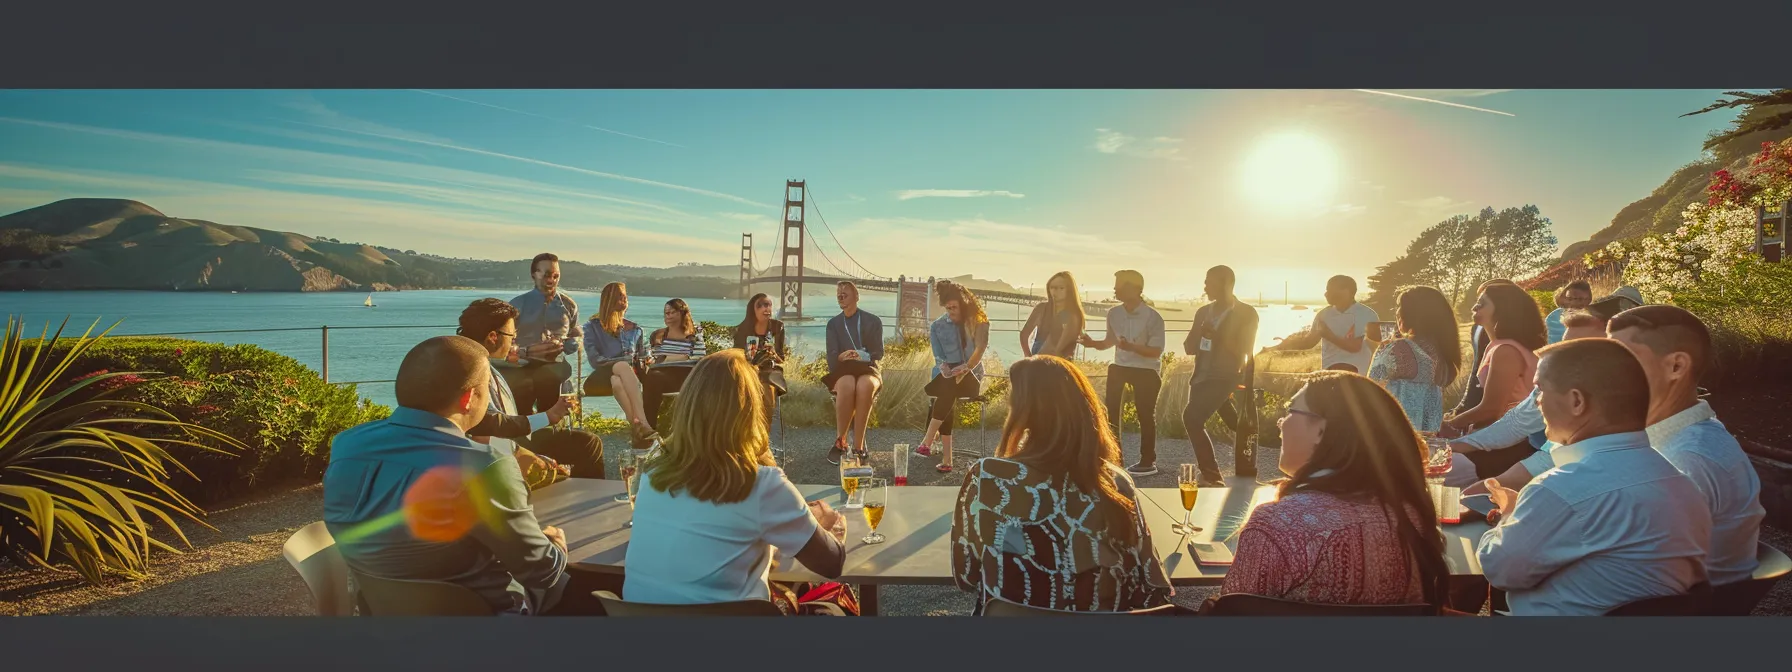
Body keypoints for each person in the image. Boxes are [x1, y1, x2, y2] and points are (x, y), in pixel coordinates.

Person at [323, 336, 569, 615]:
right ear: (469, 398)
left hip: (386, 616)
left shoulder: (346, 445)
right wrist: (557, 546)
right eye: (486, 388)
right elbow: (540, 572)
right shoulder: (484, 466)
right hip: (479, 632)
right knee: (571, 583)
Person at [1477, 338, 1711, 616]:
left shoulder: (1561, 489)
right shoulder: (1683, 485)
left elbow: (1499, 571)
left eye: (1539, 390)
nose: (1536, 401)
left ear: (1577, 401)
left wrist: (1509, 515)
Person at [622, 350, 849, 605]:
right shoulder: (761, 484)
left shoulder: (654, 472)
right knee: (833, 606)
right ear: (750, 410)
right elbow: (832, 563)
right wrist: (827, 522)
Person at [951, 355, 1172, 613]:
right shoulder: (1115, 483)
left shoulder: (988, 478)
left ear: (1023, 411)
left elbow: (966, 577)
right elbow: (1151, 587)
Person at [1223, 372, 1450, 608]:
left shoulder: (1276, 525)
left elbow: (1233, 616)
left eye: (1290, 411)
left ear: (1321, 431)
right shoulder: (1412, 518)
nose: (1281, 423)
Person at [1605, 305, 1764, 586]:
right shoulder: (1675, 439)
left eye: (1623, 359)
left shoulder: (1687, 458)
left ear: (1676, 366)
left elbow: (1639, 571)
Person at [1451, 309, 1610, 491]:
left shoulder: (1619, 404)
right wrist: (1455, 446)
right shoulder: (1559, 380)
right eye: (1566, 348)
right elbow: (1516, 424)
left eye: (1582, 351)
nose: (1567, 359)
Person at [458, 298, 605, 480]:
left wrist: (549, 415)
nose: (514, 341)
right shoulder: (471, 371)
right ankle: (579, 501)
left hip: (509, 439)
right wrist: (530, 454)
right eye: (511, 336)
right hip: (498, 451)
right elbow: (486, 429)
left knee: (588, 442)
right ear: (493, 337)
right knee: (585, 447)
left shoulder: (478, 360)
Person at [1440, 281, 1545, 479]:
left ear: (1502, 310)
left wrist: (1450, 424)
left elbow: (1492, 408)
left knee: (1435, 471)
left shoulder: (1506, 351)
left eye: (1481, 304)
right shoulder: (1499, 346)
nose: (1474, 307)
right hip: (1499, 437)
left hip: (1509, 443)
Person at [1077, 270, 1168, 477]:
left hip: (1146, 370)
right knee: (1111, 412)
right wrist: (1092, 344)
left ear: (1135, 289)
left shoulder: (1153, 317)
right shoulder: (1114, 313)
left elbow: (1156, 351)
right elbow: (1109, 342)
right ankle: (1114, 458)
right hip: (1120, 367)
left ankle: (1147, 461)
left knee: (1145, 415)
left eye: (1119, 285)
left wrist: (1131, 347)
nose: (1115, 289)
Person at [1180, 266, 1258, 486]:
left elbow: (1244, 350)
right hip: (1200, 377)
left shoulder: (1246, 313)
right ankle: (1249, 458)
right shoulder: (1203, 312)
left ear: (1226, 284)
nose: (1205, 287)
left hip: (1226, 376)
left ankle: (1212, 476)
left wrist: (1218, 336)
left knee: (1192, 418)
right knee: (1235, 422)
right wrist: (1200, 331)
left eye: (1209, 282)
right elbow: (1189, 348)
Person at [916, 280, 991, 473]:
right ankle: (946, 460)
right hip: (947, 378)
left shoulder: (979, 321)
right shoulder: (937, 326)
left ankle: (929, 440)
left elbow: (981, 348)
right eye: (948, 308)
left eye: (954, 307)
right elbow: (939, 357)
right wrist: (945, 368)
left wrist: (966, 367)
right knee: (948, 387)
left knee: (947, 389)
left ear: (963, 304)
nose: (951, 312)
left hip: (971, 376)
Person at [1367, 285, 1462, 434]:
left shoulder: (1399, 350)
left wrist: (1383, 349)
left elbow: (1369, 389)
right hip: (1427, 440)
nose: (1396, 312)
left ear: (1410, 314)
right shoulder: (1444, 353)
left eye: (1399, 307)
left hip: (1392, 436)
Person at [503, 253, 581, 415]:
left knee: (551, 379)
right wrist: (525, 351)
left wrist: (570, 343)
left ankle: (550, 430)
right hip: (522, 366)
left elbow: (575, 334)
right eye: (546, 275)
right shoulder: (517, 305)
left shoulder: (569, 305)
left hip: (555, 367)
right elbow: (504, 341)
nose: (551, 280)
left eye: (556, 276)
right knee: (523, 399)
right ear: (534, 274)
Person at [580, 282, 656, 448]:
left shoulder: (636, 330)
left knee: (617, 381)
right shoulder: (592, 327)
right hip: (600, 377)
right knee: (621, 367)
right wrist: (623, 362)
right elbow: (595, 360)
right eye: (620, 295)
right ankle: (644, 422)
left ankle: (636, 427)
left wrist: (648, 359)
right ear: (609, 299)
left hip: (626, 378)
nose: (624, 299)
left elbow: (644, 356)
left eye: (625, 296)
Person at [822, 281, 884, 465]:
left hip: (867, 368)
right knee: (847, 384)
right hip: (844, 369)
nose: (841, 296)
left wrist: (861, 354)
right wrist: (842, 356)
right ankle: (841, 442)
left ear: (856, 297)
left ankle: (858, 446)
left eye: (845, 293)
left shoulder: (873, 321)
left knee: (865, 385)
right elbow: (831, 357)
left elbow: (878, 353)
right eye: (838, 294)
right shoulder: (833, 324)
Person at [1271, 275, 1378, 373]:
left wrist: (1327, 335)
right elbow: (1309, 342)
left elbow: (1354, 347)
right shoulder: (1323, 314)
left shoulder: (1366, 314)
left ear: (1346, 291)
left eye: (1330, 290)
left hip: (1358, 375)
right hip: (1328, 373)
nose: (1326, 294)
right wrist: (1285, 344)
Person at [640, 298, 707, 432]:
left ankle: (648, 428)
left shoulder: (694, 335)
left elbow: (698, 358)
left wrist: (668, 358)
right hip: (662, 375)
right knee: (653, 377)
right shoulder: (659, 335)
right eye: (666, 313)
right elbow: (654, 359)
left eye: (672, 312)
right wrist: (677, 357)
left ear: (682, 313)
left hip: (686, 376)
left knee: (653, 378)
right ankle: (649, 428)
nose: (668, 316)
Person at [733, 293, 790, 425]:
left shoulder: (778, 327)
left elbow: (781, 358)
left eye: (769, 305)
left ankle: (764, 436)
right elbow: (736, 355)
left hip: (770, 368)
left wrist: (774, 353)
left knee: (768, 392)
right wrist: (749, 356)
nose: (766, 309)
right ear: (753, 310)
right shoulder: (742, 329)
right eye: (761, 305)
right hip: (747, 369)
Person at [1019, 271, 1085, 359]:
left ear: (1069, 290)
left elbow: (1064, 345)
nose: (1055, 291)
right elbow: (1024, 334)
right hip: (1038, 360)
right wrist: (1028, 356)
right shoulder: (1041, 308)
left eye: (1061, 288)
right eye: (1052, 287)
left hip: (1060, 363)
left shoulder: (1070, 314)